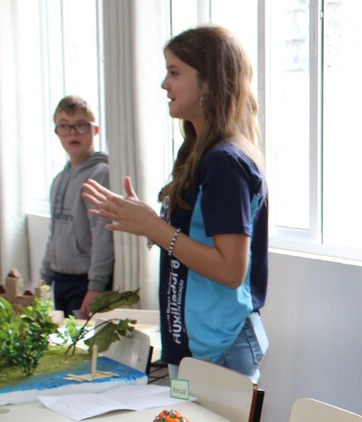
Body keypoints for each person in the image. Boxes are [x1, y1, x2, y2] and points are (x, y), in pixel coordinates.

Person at [82, 26, 269, 381]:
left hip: (218, 345)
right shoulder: (199, 152)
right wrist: (145, 221)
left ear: (209, 81)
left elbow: (231, 270)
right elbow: (192, 240)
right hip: (193, 343)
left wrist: (154, 227)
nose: (164, 84)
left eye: (174, 72)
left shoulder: (225, 163)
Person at [40, 95, 114, 318]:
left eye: (81, 125)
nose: (73, 133)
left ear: (95, 130)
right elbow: (55, 234)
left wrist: (96, 287)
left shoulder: (100, 174)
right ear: (57, 132)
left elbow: (102, 234)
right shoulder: (59, 180)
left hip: (85, 283)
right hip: (60, 279)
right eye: (64, 126)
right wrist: (44, 279)